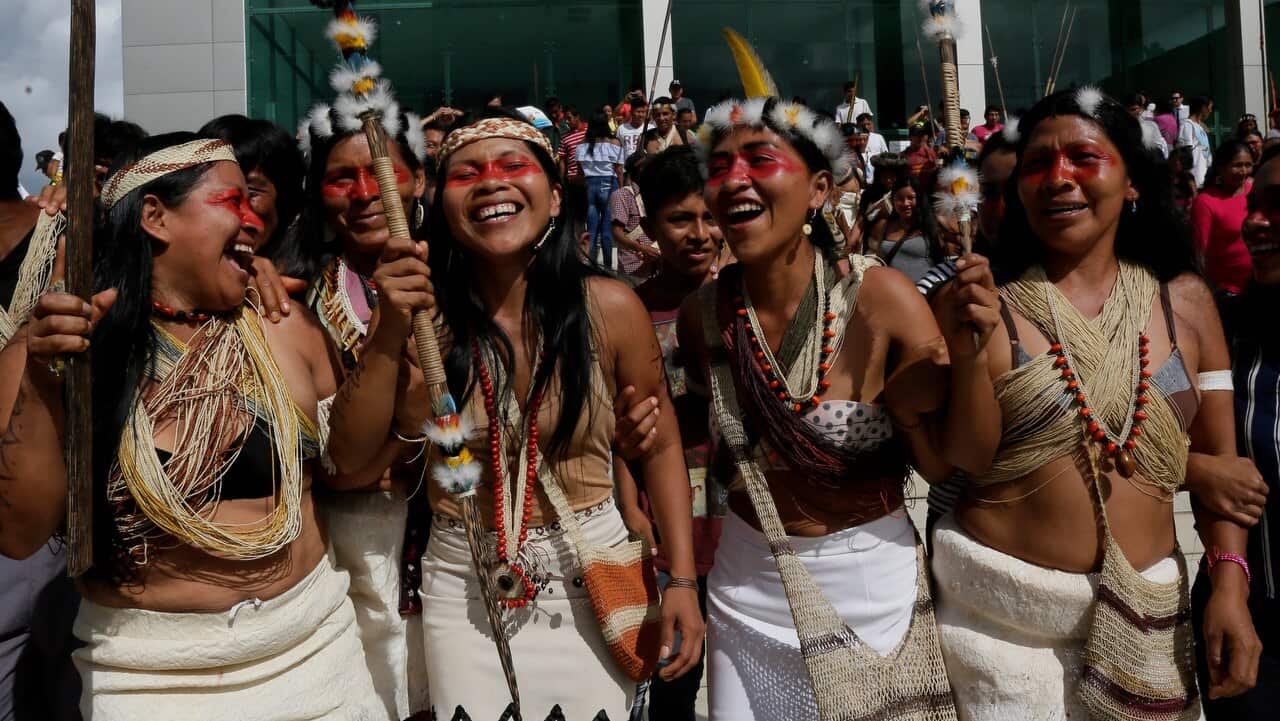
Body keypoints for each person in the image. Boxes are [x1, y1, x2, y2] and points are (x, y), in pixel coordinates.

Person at [623, 91, 998, 721]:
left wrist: (970, 359)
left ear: (820, 189)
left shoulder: (880, 297)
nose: (733, 179)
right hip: (744, 583)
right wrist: (634, 439)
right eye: (720, 168)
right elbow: (694, 434)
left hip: (867, 586)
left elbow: (956, 461)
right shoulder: (704, 315)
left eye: (760, 160)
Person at [5, 132, 390, 720]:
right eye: (231, 201)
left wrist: (394, 332)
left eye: (255, 201)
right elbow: (18, 533)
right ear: (155, 217)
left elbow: (353, 471)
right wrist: (41, 377)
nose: (254, 218)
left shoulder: (284, 325)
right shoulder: (57, 344)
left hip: (313, 656)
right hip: (147, 679)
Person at [932, 87, 1260, 719]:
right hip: (1002, 637)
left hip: (1150, 627)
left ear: (1132, 182)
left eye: (1083, 157)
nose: (1058, 178)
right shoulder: (990, 303)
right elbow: (966, 458)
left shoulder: (1185, 304)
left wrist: (1228, 587)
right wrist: (968, 352)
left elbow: (1225, 472)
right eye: (1037, 165)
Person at [377, 108, 704, 720]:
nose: (491, 182)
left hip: (592, 576)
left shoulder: (610, 307)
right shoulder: (421, 321)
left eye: (513, 166)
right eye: (466, 172)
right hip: (462, 582)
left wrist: (681, 578)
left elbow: (660, 447)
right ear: (442, 205)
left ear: (555, 198)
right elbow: (366, 457)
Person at [618, 146, 724, 721]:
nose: (699, 234)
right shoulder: (625, 311)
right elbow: (608, 427)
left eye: (710, 217)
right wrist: (626, 500)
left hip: (740, 527)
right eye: (681, 219)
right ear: (650, 226)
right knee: (672, 680)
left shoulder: (750, 303)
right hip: (664, 525)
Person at [1195, 143, 1280, 718]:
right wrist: (1193, 466)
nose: (1253, 220)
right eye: (1254, 203)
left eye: (1277, 204)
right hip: (1253, 632)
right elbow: (1126, 424)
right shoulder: (1222, 331)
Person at [1191, 140, 1256, 295]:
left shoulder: (1255, 190)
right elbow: (1198, 251)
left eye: (1248, 165)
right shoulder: (1206, 202)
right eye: (1237, 165)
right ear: (1220, 167)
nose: (1243, 171)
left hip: (1259, 286)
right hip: (1228, 292)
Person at [866, 176, 943, 283]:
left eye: (911, 198)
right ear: (893, 201)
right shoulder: (885, 226)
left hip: (926, 291)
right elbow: (879, 259)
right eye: (900, 199)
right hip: (894, 292)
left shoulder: (931, 225)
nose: (906, 203)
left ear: (919, 198)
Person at [577, 110, 626, 267]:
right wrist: (622, 188)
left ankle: (590, 265)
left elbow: (579, 172)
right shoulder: (614, 143)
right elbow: (619, 170)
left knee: (591, 230)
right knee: (606, 231)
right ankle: (608, 267)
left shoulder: (582, 145)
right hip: (608, 183)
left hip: (589, 185)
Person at [611, 150, 661, 280]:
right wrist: (642, 248)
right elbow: (617, 234)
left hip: (657, 264)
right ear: (638, 170)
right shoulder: (622, 195)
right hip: (633, 266)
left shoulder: (654, 194)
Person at [557, 105, 588, 234]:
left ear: (577, 117)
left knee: (591, 214)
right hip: (573, 181)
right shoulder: (565, 138)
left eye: (569, 118)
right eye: (566, 119)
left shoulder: (589, 131)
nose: (567, 122)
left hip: (590, 179)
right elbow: (562, 161)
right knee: (577, 216)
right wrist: (562, 180)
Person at [1178, 95, 1214, 187]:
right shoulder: (1187, 125)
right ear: (1202, 107)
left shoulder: (1200, 127)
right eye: (1209, 108)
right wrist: (1190, 181)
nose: (1210, 111)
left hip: (1204, 181)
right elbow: (1185, 155)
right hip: (1194, 182)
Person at [1126, 92, 1170, 158]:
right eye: (1127, 109)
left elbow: (1162, 149)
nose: (1130, 113)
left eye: (1133, 109)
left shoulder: (1151, 126)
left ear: (1141, 108)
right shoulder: (1119, 127)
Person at [904, 122, 939, 189]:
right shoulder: (903, 155)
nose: (920, 138)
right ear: (910, 137)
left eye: (922, 135)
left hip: (929, 191)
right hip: (913, 192)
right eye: (916, 135)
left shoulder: (931, 153)